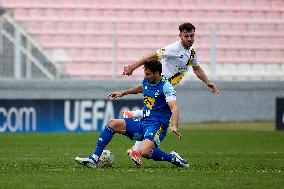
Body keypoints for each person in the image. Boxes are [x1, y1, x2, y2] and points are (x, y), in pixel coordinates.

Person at [122, 23, 220, 165]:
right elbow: (152, 56)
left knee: (155, 116)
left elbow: (196, 68)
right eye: (186, 36)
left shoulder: (192, 51)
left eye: (192, 35)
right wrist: (132, 66)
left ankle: (136, 140)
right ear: (180, 35)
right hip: (157, 84)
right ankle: (136, 118)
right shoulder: (174, 48)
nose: (189, 38)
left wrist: (207, 82)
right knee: (158, 116)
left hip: (164, 87)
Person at [75, 60, 189, 168]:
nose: (146, 76)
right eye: (145, 73)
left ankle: (173, 158)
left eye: (148, 74)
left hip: (157, 125)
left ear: (157, 73)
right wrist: (122, 93)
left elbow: (174, 107)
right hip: (144, 122)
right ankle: (94, 159)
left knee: (145, 152)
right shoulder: (147, 81)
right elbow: (141, 87)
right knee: (112, 123)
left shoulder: (166, 86)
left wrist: (174, 126)